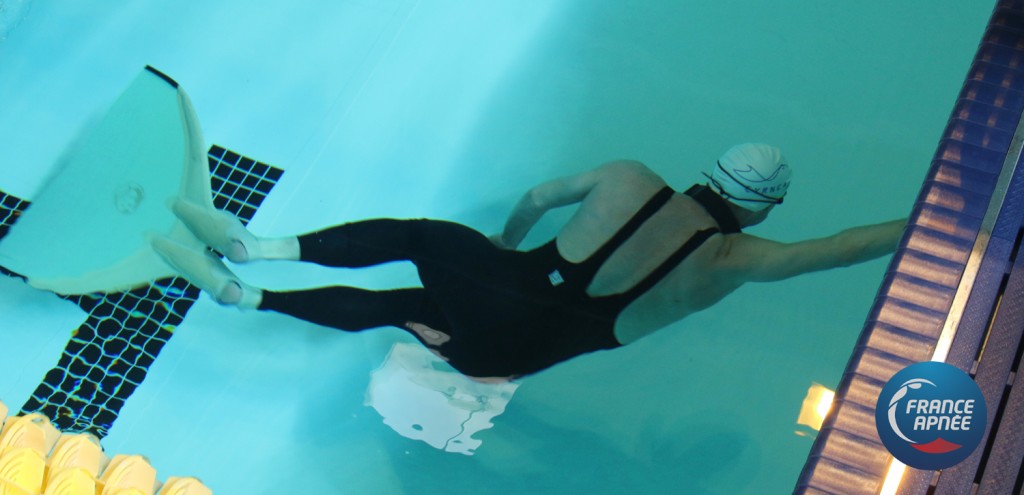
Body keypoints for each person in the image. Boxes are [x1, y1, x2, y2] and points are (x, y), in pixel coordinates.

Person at [152, 143, 905, 379]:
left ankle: (260, 250)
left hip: (498, 292)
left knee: (425, 239)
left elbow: (537, 195)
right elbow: (837, 251)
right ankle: (245, 297)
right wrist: (927, 222)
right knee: (403, 309)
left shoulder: (629, 177)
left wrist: (503, 251)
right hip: (501, 355)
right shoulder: (736, 256)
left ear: (710, 170)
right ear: (765, 205)